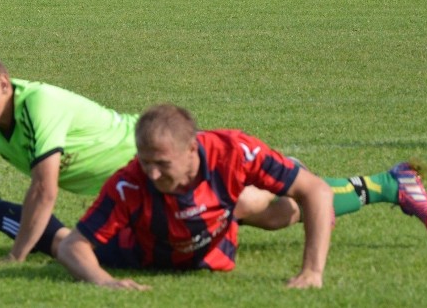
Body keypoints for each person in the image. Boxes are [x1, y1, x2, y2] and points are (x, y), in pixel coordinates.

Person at [0, 49, 427, 265]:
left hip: (161, 168)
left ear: (5, 84)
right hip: (143, 187)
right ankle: (386, 185)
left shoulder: (38, 103)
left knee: (274, 210)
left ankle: (387, 184)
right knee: (269, 210)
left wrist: (17, 257)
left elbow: (44, 188)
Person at [57, 104, 333, 289]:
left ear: (192, 148)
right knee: (55, 242)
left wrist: (312, 271)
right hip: (145, 253)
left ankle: (300, 178)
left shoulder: (233, 151)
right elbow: (72, 247)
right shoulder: (128, 183)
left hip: (214, 240)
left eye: (162, 164)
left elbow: (317, 190)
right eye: (145, 162)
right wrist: (106, 284)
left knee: (288, 207)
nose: (152, 174)